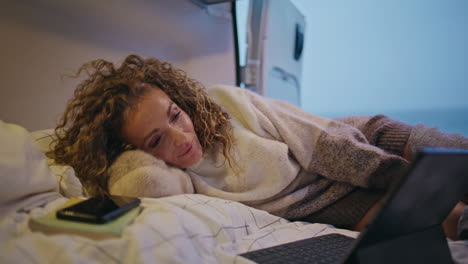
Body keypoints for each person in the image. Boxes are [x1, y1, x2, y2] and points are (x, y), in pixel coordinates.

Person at [48, 54, 468, 238]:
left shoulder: (226, 103)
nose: (181, 137)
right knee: (447, 220)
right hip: (331, 203)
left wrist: (401, 176)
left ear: (182, 102)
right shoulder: (174, 180)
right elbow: (138, 186)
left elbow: (320, 142)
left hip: (356, 145)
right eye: (156, 139)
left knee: (450, 157)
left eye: (176, 115)